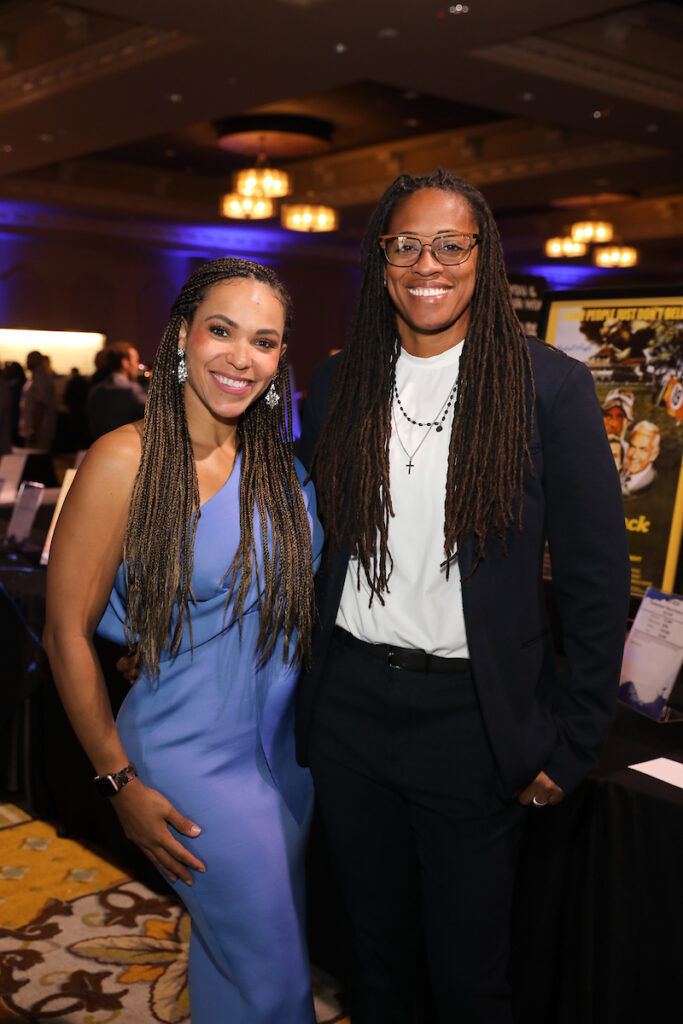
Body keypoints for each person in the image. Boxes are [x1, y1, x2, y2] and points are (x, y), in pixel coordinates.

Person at [297, 169, 630, 1024]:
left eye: (451, 244)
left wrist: (573, 741)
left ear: (482, 254)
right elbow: (303, 541)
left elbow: (595, 582)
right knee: (374, 959)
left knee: (468, 976)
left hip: (471, 723)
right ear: (381, 258)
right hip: (349, 710)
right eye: (405, 244)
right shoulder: (340, 385)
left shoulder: (546, 386)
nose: (427, 263)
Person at [44, 257, 323, 1024]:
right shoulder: (124, 459)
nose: (241, 356)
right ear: (180, 338)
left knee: (231, 963)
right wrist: (117, 781)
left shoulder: (279, 470)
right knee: (275, 985)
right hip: (190, 763)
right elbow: (65, 631)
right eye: (222, 331)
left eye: (264, 342)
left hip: (283, 762)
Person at [86, 341, 148, 441]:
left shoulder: (95, 390)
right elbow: (155, 413)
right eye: (136, 361)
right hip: (126, 448)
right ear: (125, 363)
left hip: (100, 446)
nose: (137, 365)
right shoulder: (131, 389)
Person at [18, 350, 57, 450]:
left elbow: (40, 405)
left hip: (39, 429)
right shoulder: (35, 377)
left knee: (37, 457)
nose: (26, 362)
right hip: (34, 428)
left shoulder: (41, 378)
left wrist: (34, 430)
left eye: (29, 360)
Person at [622, 420, 660, 495]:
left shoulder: (655, 485)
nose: (634, 456)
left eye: (643, 450)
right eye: (632, 446)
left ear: (654, 454)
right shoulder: (620, 471)